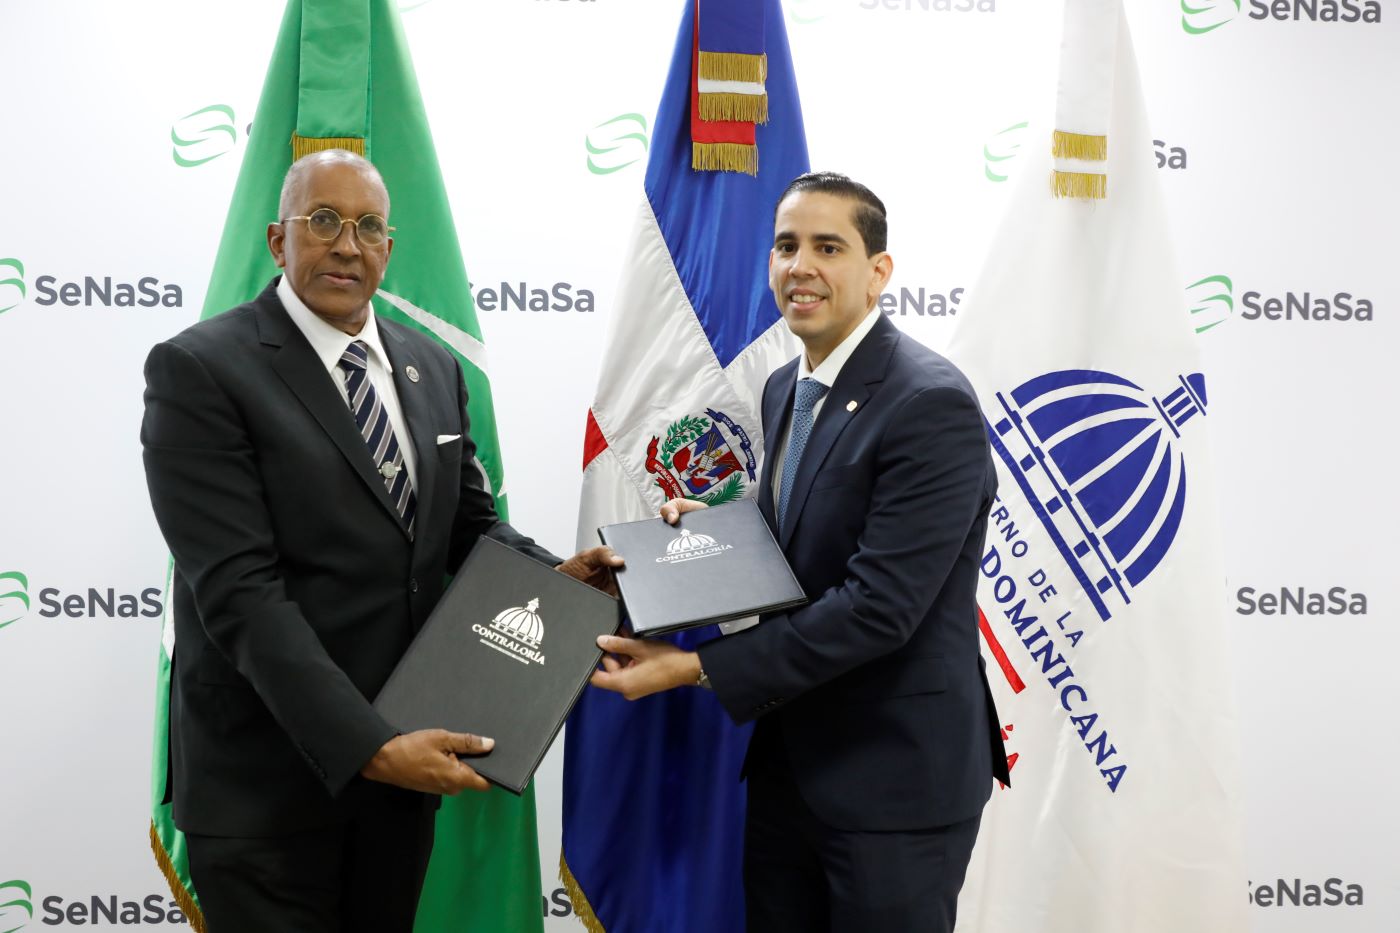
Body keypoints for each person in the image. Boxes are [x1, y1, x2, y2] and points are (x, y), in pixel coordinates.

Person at [140, 149, 621, 933]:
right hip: (267, 787)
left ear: (389, 248)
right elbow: (239, 594)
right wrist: (367, 745)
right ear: (278, 239)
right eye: (323, 220)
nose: (347, 244)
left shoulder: (432, 365)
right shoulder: (201, 370)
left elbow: (468, 529)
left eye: (368, 227)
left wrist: (560, 581)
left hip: (401, 770)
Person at [590, 172, 1009, 932]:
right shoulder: (787, 385)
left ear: (878, 271)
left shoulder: (930, 402)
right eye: (786, 246)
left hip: (895, 786)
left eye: (828, 247)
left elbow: (878, 609)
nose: (800, 266)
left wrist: (691, 667)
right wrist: (718, 537)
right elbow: (797, 547)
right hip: (790, 769)